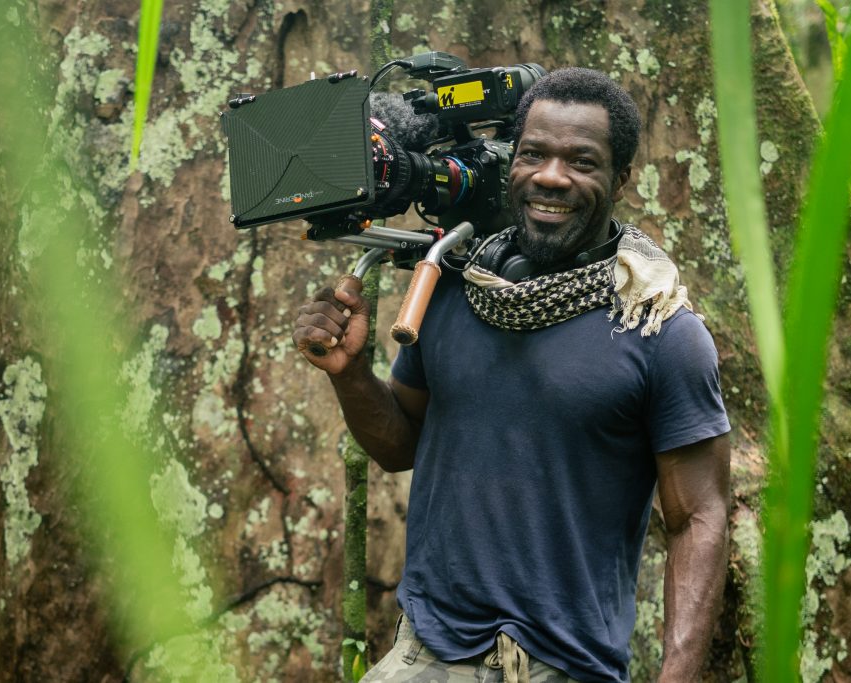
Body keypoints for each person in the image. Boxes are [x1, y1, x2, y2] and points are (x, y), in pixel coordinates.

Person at [292, 67, 730, 682]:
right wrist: (349, 374)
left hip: (567, 665)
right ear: (511, 163)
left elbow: (700, 519)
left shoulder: (660, 330)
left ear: (621, 179)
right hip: (428, 654)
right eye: (534, 155)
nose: (552, 177)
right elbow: (400, 445)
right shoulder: (454, 290)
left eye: (582, 161)